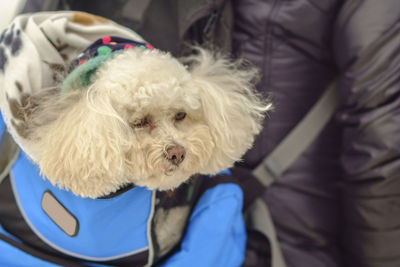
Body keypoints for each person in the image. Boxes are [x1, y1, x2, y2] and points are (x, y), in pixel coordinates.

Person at [18, 0, 400, 266]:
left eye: (181, 117)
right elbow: (384, 146)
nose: (174, 147)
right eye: (143, 124)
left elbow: (26, 49)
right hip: (286, 237)